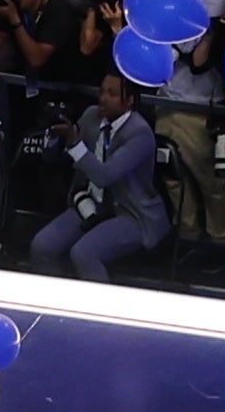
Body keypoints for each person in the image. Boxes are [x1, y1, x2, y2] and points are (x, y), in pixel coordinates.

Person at [23, 69, 169, 279]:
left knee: (84, 254)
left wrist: (74, 142)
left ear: (129, 101)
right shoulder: (91, 116)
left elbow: (105, 175)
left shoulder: (140, 134)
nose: (103, 99)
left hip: (130, 213)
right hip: (89, 204)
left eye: (112, 94)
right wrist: (54, 137)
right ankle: (59, 302)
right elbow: (54, 158)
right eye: (102, 92)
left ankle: (98, 308)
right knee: (42, 246)